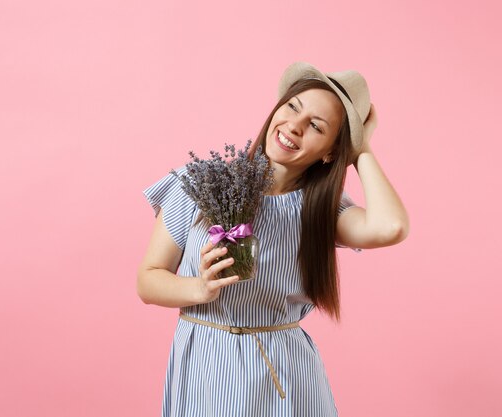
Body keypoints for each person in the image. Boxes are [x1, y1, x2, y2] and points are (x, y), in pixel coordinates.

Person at [137, 61, 409, 417]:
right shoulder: (202, 184)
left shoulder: (321, 210)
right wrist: (199, 288)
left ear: (330, 152)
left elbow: (391, 227)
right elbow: (148, 279)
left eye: (315, 126)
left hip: (286, 375)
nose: (294, 126)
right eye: (293, 107)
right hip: (206, 367)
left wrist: (360, 150)